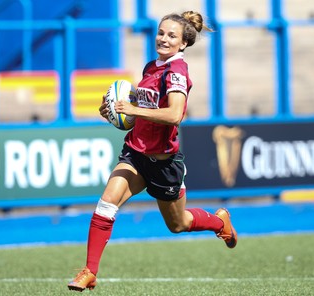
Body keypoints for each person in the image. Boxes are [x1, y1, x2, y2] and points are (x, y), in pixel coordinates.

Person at [68, 11, 237, 292]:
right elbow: (139, 108)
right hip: (135, 153)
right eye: (161, 32)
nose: (163, 38)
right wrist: (114, 109)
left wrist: (133, 109)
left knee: (178, 224)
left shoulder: (177, 72)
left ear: (183, 44)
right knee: (106, 203)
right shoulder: (152, 67)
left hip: (163, 163)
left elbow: (174, 115)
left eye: (172, 35)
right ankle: (90, 272)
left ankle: (219, 222)